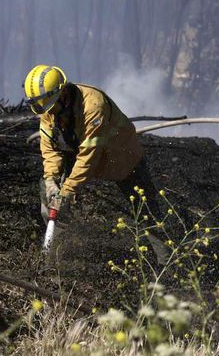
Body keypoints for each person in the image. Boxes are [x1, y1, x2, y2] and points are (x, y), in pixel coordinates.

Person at [23, 64, 170, 264]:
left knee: (146, 212)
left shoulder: (93, 105)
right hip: (78, 152)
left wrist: (67, 192)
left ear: (63, 93)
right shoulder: (48, 107)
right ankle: (58, 258)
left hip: (120, 156)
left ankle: (166, 267)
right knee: (50, 203)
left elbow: (88, 157)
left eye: (53, 107)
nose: (51, 114)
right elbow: (50, 149)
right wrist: (51, 180)